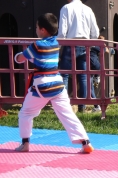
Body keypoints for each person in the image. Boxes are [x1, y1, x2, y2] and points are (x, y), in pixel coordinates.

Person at [13, 13, 93, 153]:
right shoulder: (55, 43)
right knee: (67, 113)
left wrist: (16, 56)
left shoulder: (36, 45)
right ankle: (85, 142)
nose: (36, 30)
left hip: (42, 85)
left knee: (25, 113)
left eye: (37, 27)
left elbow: (20, 59)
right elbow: (43, 59)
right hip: (58, 83)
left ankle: (25, 144)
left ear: (43, 30)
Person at [57, 0, 100, 113]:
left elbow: (62, 32)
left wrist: (58, 46)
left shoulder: (66, 8)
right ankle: (82, 107)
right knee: (83, 76)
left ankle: (63, 106)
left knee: (64, 75)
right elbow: (95, 32)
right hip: (85, 45)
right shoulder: (88, 9)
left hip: (69, 44)